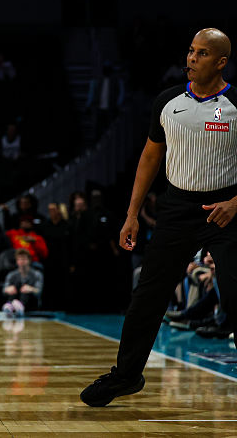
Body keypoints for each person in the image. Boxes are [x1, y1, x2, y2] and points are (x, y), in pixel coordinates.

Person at [82, 28, 237, 407]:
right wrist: (132, 214)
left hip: (226, 210)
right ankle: (126, 375)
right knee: (147, 298)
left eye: (201, 54)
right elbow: (150, 157)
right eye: (190, 51)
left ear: (220, 62)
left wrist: (236, 202)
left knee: (234, 294)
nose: (191, 59)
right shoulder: (167, 102)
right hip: (177, 209)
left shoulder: (236, 105)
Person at [2, 248, 43, 314]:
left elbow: (39, 291)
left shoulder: (37, 274)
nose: (21, 261)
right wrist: (8, 289)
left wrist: (31, 289)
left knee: (26, 288)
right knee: (14, 287)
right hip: (14, 301)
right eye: (19, 259)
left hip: (31, 305)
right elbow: (4, 290)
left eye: (24, 259)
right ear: (17, 261)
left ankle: (21, 305)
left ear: (29, 260)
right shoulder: (11, 275)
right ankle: (10, 306)